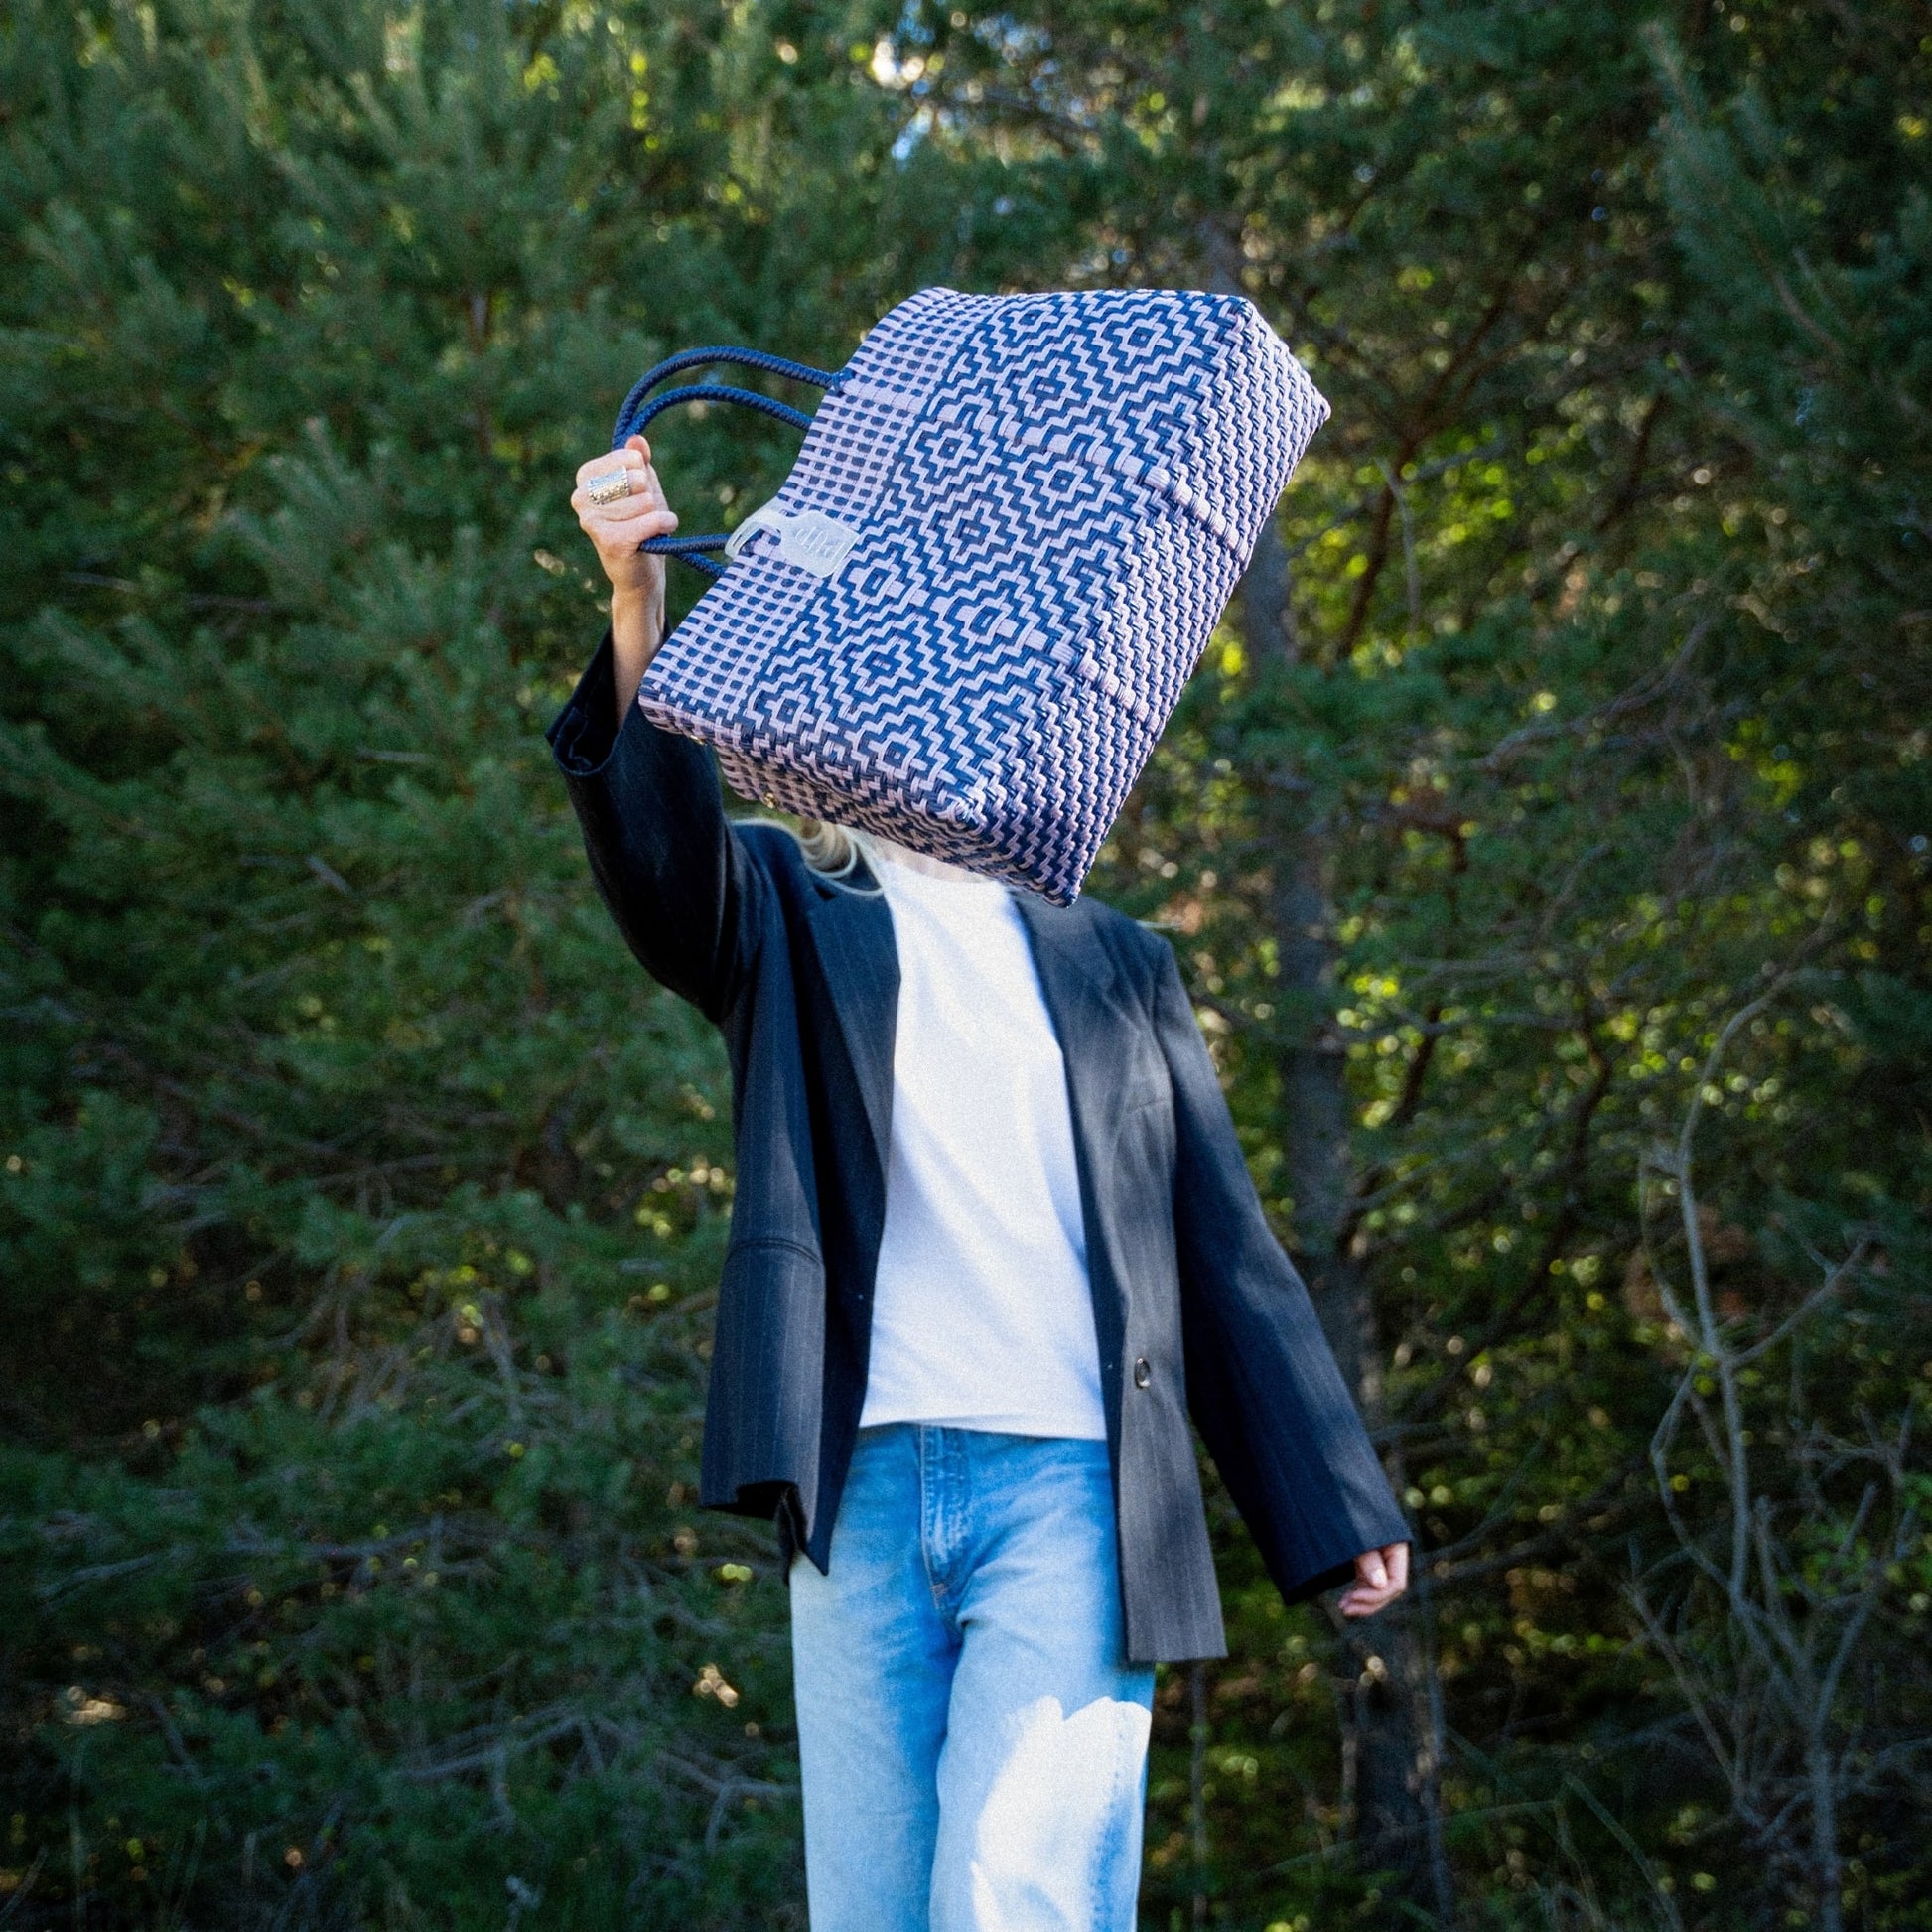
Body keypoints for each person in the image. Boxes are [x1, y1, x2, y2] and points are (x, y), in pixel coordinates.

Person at [549, 433, 1412, 1932]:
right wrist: (636, 604)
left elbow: (1221, 1250)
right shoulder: (786, 910)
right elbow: (655, 859)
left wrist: (1330, 1502)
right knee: (878, 1910)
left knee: (1013, 1894)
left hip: (1068, 1488)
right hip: (863, 1482)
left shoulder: (1117, 962)